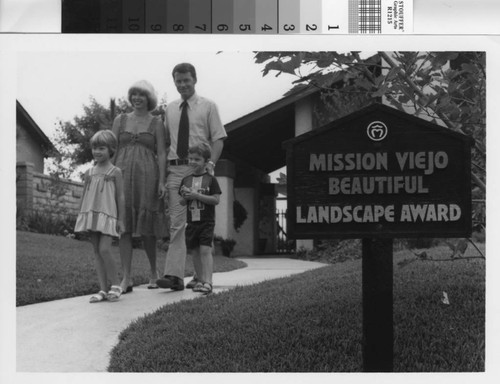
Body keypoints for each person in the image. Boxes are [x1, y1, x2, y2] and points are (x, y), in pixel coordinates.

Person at [157, 63, 227, 291]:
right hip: (176, 170)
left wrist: (210, 165)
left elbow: (218, 139)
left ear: (194, 79)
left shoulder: (208, 106)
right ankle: (174, 276)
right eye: (178, 81)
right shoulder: (170, 109)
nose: (182, 84)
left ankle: (201, 276)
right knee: (177, 223)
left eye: (186, 80)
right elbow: (165, 140)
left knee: (199, 223)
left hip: (199, 170)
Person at [111, 80, 168, 292]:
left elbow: (161, 153)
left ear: (148, 99)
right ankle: (126, 277)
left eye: (141, 95)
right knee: (123, 227)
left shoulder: (157, 123)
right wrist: (108, 174)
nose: (136, 98)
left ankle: (154, 272)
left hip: (148, 176)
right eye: (133, 94)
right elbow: (112, 147)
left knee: (147, 228)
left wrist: (162, 180)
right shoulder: (121, 119)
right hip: (122, 174)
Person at [74, 130, 126, 303]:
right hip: (91, 214)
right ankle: (103, 289)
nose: (97, 152)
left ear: (111, 149)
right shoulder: (89, 172)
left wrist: (121, 219)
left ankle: (116, 285)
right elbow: (84, 194)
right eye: (95, 148)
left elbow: (120, 197)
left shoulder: (115, 171)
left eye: (101, 148)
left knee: (105, 249)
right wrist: (82, 214)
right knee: (96, 251)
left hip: (108, 215)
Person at [177, 143, 221, 294]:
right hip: (191, 222)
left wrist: (197, 195)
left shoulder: (211, 180)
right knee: (195, 251)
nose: (193, 162)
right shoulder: (186, 180)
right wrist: (185, 196)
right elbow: (182, 202)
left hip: (206, 221)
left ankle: (208, 282)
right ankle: (200, 280)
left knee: (205, 250)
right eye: (190, 158)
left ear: (205, 161)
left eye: (197, 159)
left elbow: (216, 200)